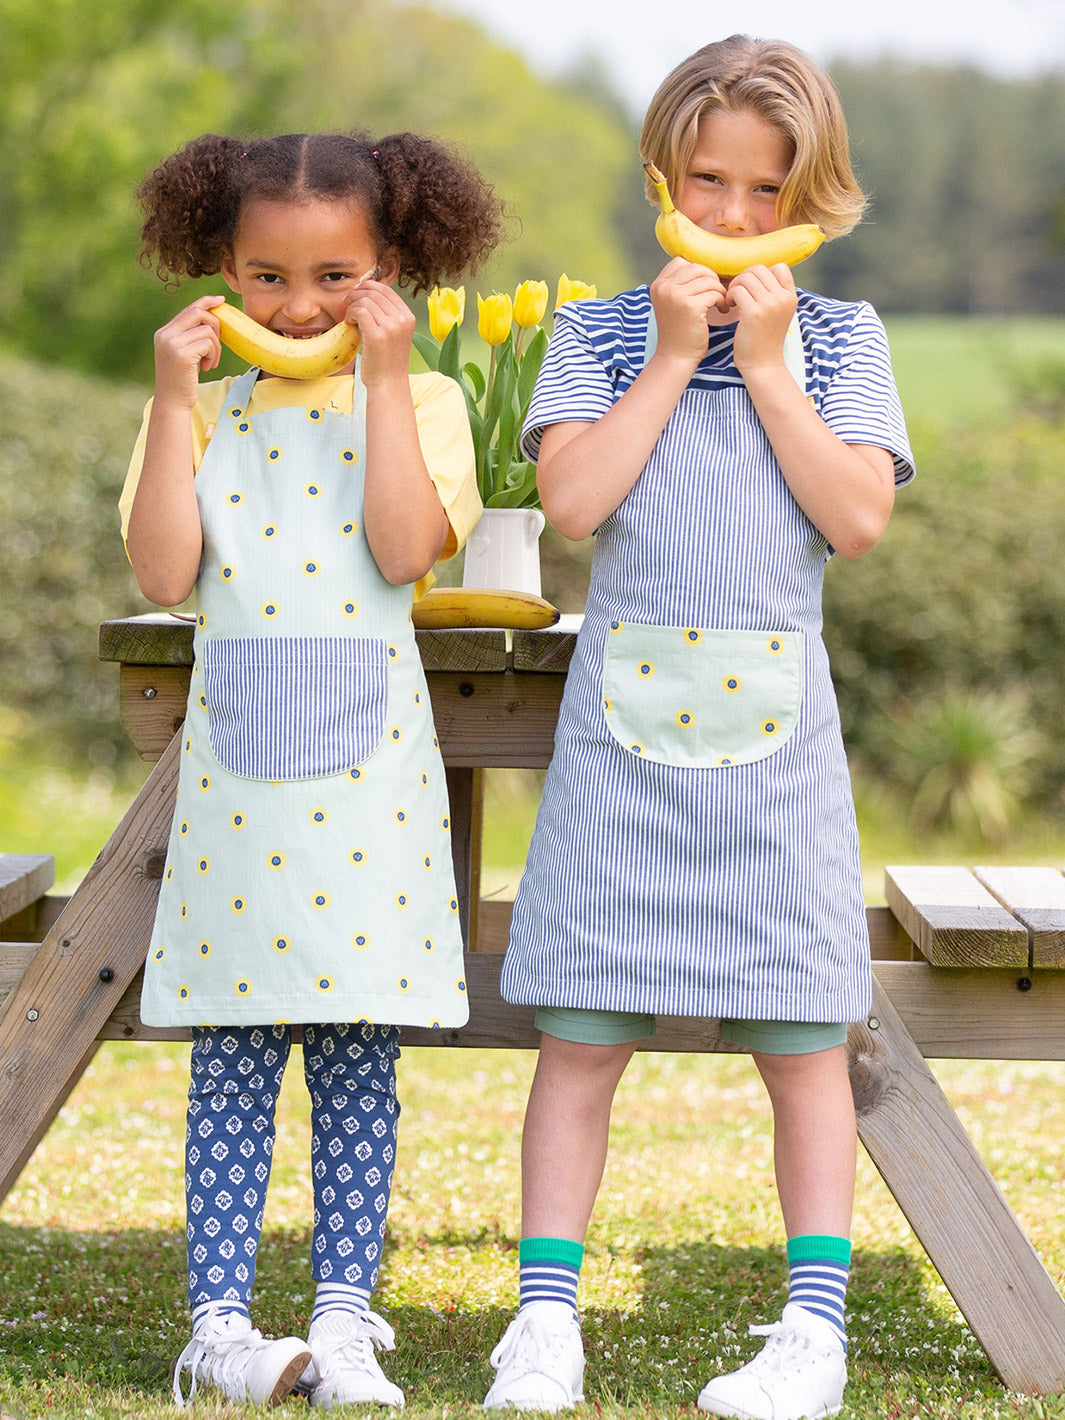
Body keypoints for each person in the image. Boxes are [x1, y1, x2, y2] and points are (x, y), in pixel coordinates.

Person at [482, 34, 913, 1420]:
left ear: (811, 192)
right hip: (623, 747)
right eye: (705, 179)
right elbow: (576, 506)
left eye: (761, 187)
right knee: (580, 1042)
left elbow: (853, 520)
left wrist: (771, 369)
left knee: (802, 1048)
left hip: (778, 754)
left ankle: (812, 1333)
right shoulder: (598, 335)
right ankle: (544, 1325)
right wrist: (670, 357)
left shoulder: (844, 339)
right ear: (665, 170)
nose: (727, 214)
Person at [121, 129, 501, 1408]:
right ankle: (219, 1327)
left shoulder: (430, 404)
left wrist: (390, 382)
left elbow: (403, 552)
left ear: (390, 266)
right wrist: (173, 400)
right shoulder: (202, 406)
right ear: (222, 272)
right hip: (237, 786)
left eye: (335, 276)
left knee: (357, 1055)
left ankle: (346, 1315)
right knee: (229, 1054)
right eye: (266, 277)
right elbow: (166, 575)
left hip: (367, 787)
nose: (299, 306)